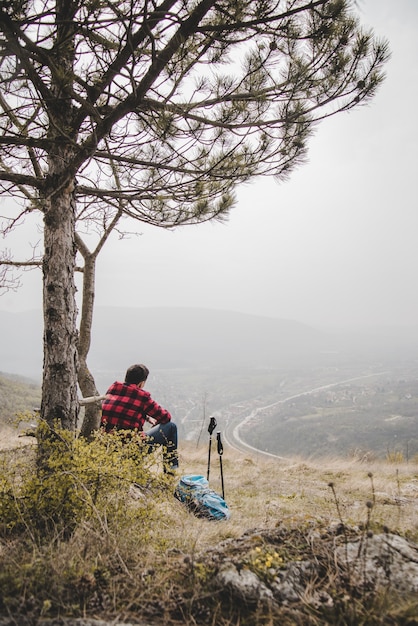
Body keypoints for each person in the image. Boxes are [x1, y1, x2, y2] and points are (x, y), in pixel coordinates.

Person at [101, 363, 178, 473]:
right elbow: (166, 417)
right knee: (171, 427)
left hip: (108, 447)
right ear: (141, 383)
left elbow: (124, 407)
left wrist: (146, 417)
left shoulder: (113, 389)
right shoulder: (142, 396)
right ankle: (170, 474)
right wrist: (154, 418)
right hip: (131, 449)